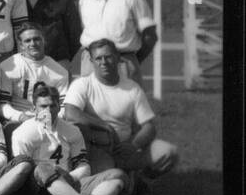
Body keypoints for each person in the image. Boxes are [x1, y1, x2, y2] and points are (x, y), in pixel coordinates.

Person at [0, 83, 123, 195]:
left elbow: (83, 166)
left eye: (52, 106)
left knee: (117, 177)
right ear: (34, 108)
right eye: (43, 106)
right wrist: (53, 173)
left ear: (58, 107)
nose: (49, 110)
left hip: (68, 181)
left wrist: (68, 177)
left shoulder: (72, 130)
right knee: (44, 168)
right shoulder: (22, 132)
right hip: (39, 187)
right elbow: (23, 171)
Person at [63, 39, 178, 186]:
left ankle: (143, 180)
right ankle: (126, 184)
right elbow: (71, 113)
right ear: (91, 61)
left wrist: (133, 145)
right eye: (98, 58)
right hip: (97, 149)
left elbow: (149, 127)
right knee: (112, 179)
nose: (103, 62)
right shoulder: (82, 84)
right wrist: (104, 126)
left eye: (108, 56)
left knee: (167, 151)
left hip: (126, 149)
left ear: (118, 58)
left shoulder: (132, 88)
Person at [77, 0, 157, 86]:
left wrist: (133, 60)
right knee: (90, 107)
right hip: (90, 65)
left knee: (125, 106)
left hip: (122, 63)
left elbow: (150, 35)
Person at [0, 23, 70, 133]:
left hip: (50, 120)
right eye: (27, 41)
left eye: (37, 39)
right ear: (21, 45)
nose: (33, 44)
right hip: (19, 120)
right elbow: (2, 105)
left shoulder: (60, 72)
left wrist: (51, 120)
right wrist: (22, 117)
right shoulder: (8, 67)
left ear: (44, 41)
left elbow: (63, 107)